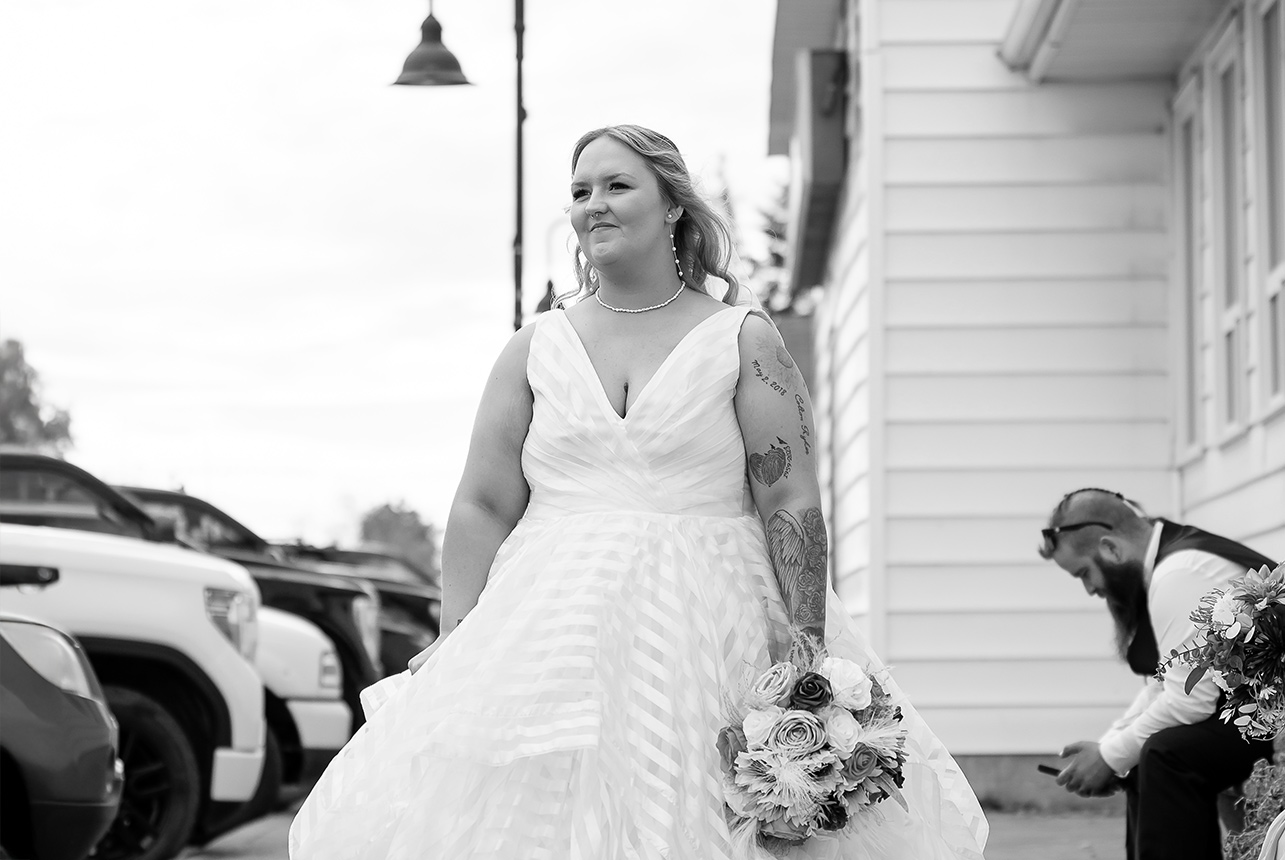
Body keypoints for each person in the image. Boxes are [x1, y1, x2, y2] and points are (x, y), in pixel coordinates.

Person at [288, 125, 987, 859]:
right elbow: (482, 504)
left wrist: (808, 648)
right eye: (580, 191)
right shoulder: (534, 348)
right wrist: (455, 639)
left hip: (715, 628)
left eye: (617, 186)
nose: (594, 205)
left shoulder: (742, 338)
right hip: (548, 629)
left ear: (672, 206)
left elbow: (788, 496)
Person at [1040, 488, 1276, 860]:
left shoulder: (1179, 574)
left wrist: (1109, 758)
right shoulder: (1171, 561)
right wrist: (1110, 748)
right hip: (1256, 713)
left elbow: (1189, 703)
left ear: (1111, 548)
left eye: (1085, 573)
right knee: (1145, 753)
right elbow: (1165, 683)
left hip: (1274, 721)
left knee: (1167, 754)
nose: (1089, 589)